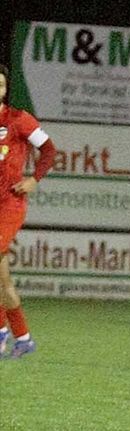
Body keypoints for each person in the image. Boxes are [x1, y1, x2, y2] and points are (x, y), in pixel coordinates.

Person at [0, 63, 56, 360]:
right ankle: (21, 338)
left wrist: (34, 179)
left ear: (5, 89)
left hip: (9, 204)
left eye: (0, 84)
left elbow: (49, 150)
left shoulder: (18, 119)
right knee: (2, 279)